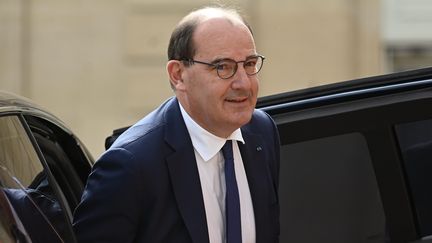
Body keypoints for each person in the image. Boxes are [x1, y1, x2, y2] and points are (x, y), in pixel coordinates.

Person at [73, 6, 280, 243]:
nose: (243, 83)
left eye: (250, 64)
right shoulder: (130, 164)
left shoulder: (262, 132)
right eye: (223, 67)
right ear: (178, 75)